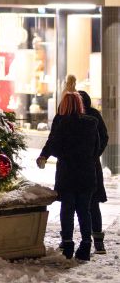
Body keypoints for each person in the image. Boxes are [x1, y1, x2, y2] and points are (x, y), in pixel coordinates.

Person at [37, 91, 100, 261]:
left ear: (64, 105)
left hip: (68, 174)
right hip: (87, 173)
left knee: (67, 210)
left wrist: (46, 156)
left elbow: (54, 144)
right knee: (84, 211)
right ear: (80, 104)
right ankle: (86, 245)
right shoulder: (92, 123)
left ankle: (68, 244)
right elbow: (96, 148)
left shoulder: (63, 123)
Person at [79, 90, 109, 254]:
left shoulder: (93, 115)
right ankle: (93, 241)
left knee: (92, 203)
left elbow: (104, 137)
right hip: (85, 165)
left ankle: (97, 241)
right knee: (86, 204)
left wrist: (95, 153)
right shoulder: (71, 115)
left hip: (91, 166)